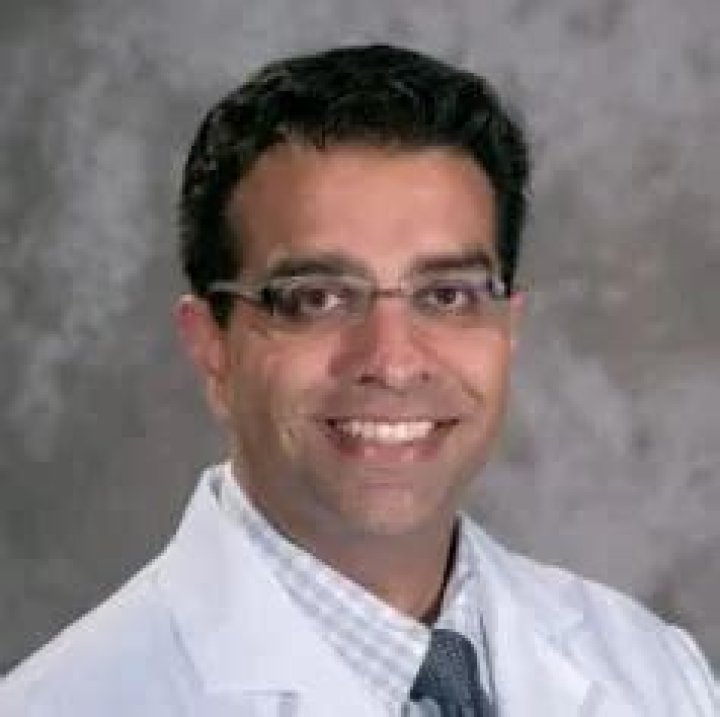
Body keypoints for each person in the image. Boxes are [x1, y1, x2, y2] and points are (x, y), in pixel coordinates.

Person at [1, 44, 716, 717]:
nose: (393, 361)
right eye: (316, 298)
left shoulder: (656, 673)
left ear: (508, 327)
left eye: (447, 295)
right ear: (211, 345)